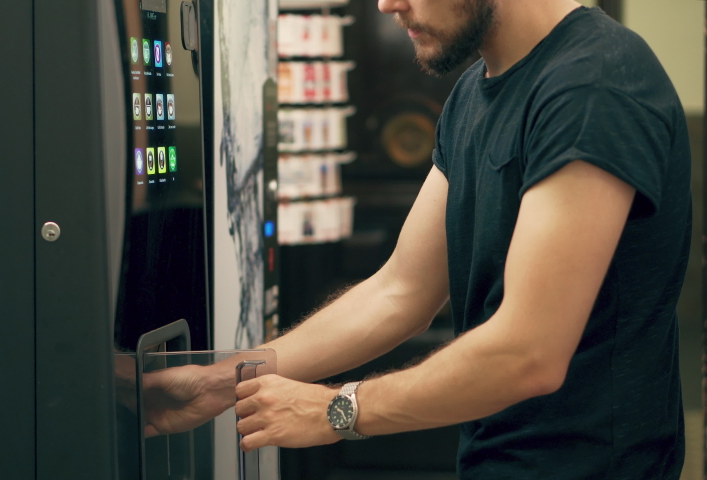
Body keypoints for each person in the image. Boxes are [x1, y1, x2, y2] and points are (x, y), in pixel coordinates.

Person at [145, 0, 692, 477]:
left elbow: (528, 353)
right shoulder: (474, 94)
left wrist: (336, 410)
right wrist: (223, 380)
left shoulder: (595, 86)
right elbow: (399, 291)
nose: (387, 4)